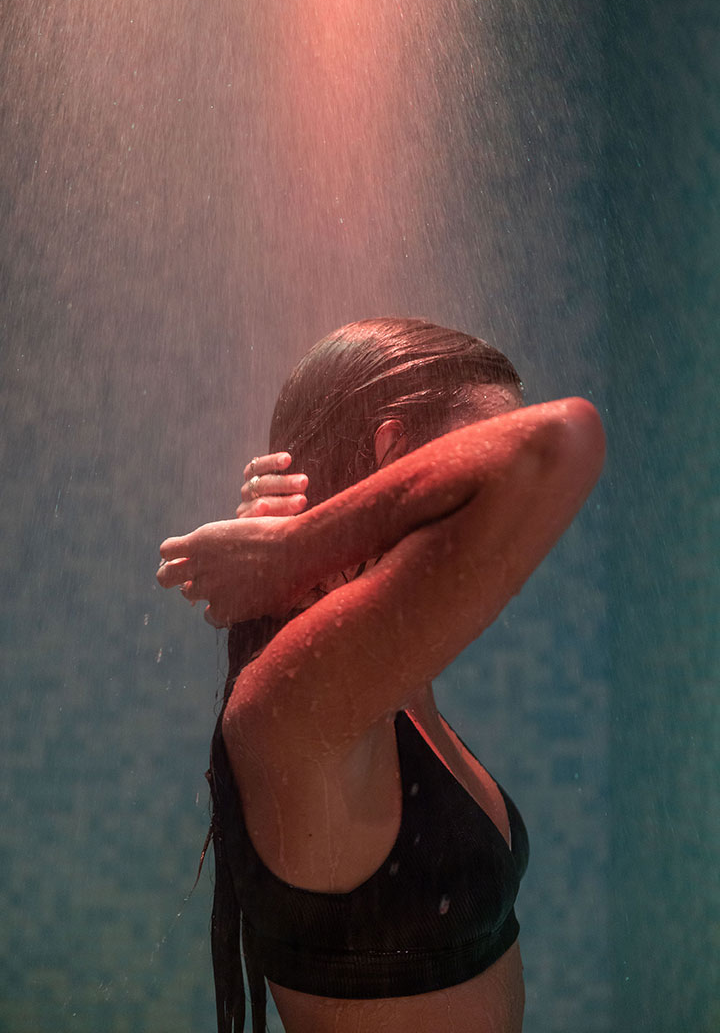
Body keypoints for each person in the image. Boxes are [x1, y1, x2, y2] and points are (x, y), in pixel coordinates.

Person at [157, 318, 605, 1033]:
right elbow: (559, 444)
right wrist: (303, 545)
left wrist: (302, 550)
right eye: (470, 449)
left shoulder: (382, 673)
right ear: (393, 447)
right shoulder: (294, 699)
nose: (478, 476)